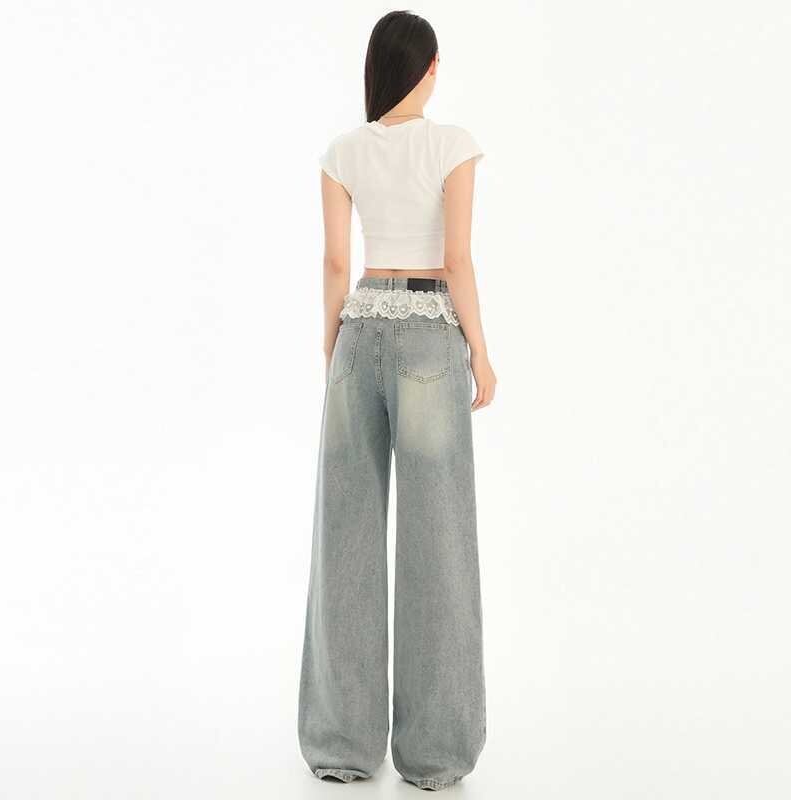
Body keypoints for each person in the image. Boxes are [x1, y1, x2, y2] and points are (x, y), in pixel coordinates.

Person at [297, 10, 496, 792]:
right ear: (432, 67)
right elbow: (457, 259)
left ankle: (341, 746)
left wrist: (332, 344)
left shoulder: (342, 150)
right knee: (437, 540)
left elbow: (334, 263)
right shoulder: (453, 145)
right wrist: (479, 350)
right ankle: (436, 755)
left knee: (344, 537)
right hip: (427, 336)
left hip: (358, 331)